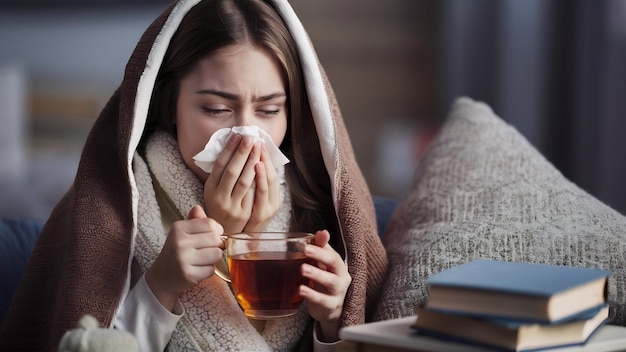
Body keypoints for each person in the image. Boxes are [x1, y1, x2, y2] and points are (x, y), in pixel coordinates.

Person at [0, 0, 388, 351]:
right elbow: (85, 338)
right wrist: (162, 286)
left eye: (269, 110)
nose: (246, 135)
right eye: (217, 108)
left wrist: (333, 321)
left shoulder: (315, 206)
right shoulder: (111, 204)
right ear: (169, 104)